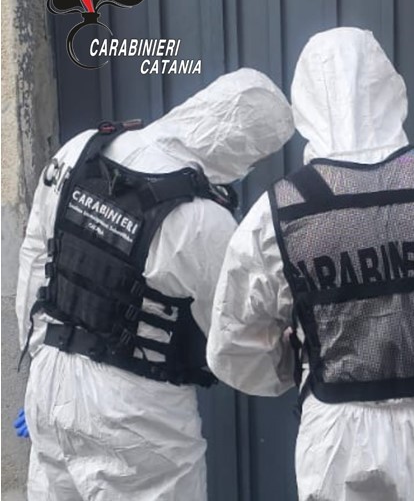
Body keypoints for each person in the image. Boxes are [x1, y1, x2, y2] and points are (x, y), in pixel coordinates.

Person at [207, 28, 414, 501]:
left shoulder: (279, 212)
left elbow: (235, 347)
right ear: (389, 87)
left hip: (343, 438)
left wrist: (293, 365)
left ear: (306, 101)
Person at [16, 67, 294, 501]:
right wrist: (289, 370)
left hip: (50, 387)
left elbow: (36, 258)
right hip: (134, 418)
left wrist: (38, 358)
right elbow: (234, 340)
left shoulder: (82, 149)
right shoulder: (205, 221)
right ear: (246, 148)